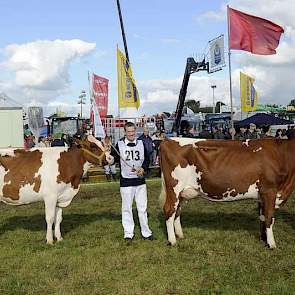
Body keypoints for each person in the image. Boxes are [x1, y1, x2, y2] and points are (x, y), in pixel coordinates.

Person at [111, 122, 153, 242]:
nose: (131, 134)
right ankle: (128, 233)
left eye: (133, 131)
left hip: (140, 182)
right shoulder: (119, 144)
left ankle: (146, 232)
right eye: (128, 132)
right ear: (125, 132)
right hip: (126, 182)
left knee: (142, 208)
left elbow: (147, 159)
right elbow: (113, 158)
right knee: (126, 208)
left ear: (135, 131)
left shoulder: (141, 143)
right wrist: (110, 160)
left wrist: (143, 168)